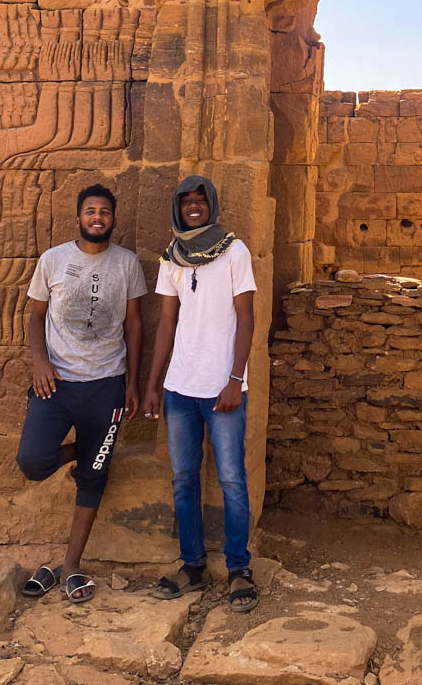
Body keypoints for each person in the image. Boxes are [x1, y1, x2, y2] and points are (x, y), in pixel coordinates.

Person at [16, 183, 145, 603]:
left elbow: (135, 326)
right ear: (78, 217)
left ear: (113, 218)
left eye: (105, 212)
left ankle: (71, 565)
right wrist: (39, 361)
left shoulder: (126, 263)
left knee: (94, 477)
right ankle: (84, 450)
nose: (97, 217)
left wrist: (132, 382)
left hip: (106, 384)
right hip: (56, 384)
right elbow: (36, 317)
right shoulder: (53, 260)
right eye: (90, 211)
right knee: (33, 461)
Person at [143, 175, 258, 612]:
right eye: (186, 202)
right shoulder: (171, 258)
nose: (194, 207)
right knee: (184, 479)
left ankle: (237, 569)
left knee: (231, 480)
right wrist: (154, 384)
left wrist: (234, 378)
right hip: (180, 388)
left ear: (212, 205)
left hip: (222, 387)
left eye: (200, 201)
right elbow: (167, 323)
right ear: (179, 207)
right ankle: (191, 565)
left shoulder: (234, 250)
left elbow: (245, 317)